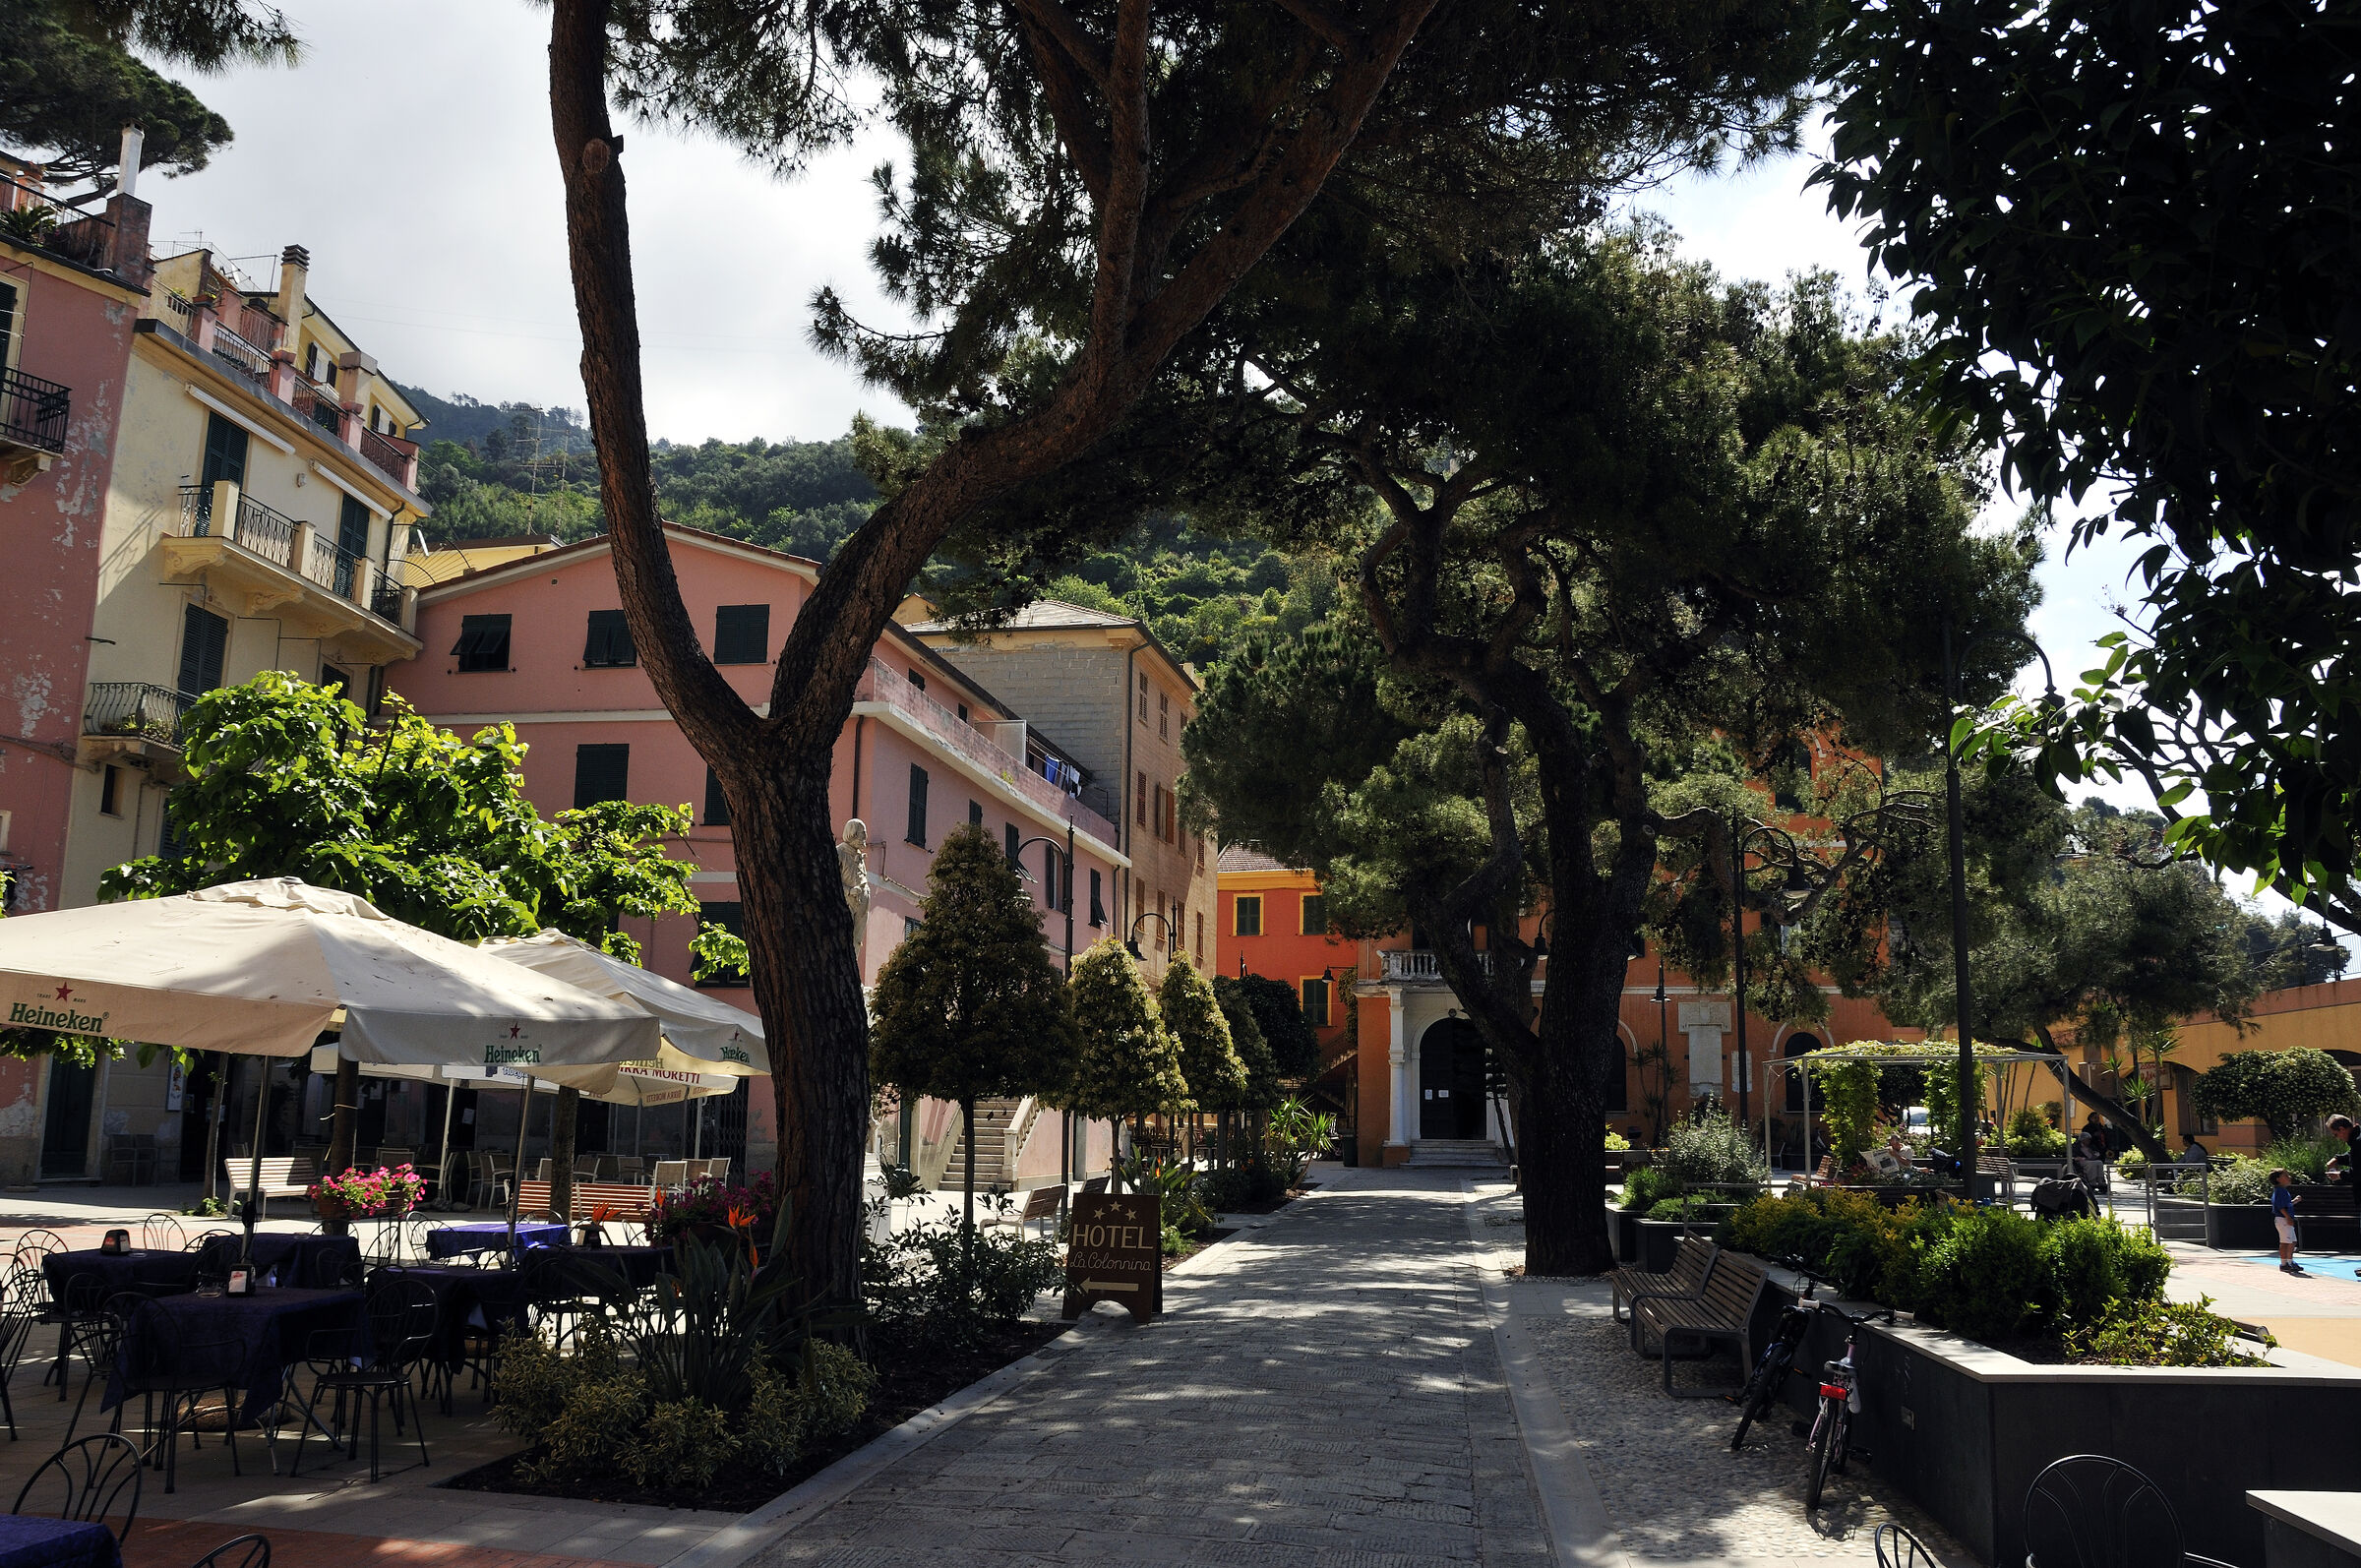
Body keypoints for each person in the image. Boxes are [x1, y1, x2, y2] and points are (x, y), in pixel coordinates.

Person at [2271, 1168, 2308, 1275]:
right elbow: (2280, 1207)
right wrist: (2288, 1217)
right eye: (2285, 1176)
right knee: (2285, 1242)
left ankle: (2289, 1261)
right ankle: (2284, 1264)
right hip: (2283, 1219)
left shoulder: (2283, 1191)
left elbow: (2285, 1205)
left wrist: (2294, 1202)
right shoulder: (2280, 1191)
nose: (2289, 1177)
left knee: (2292, 1241)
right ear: (2278, 1179)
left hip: (2284, 1219)